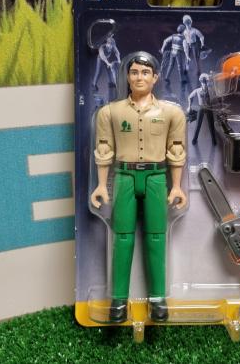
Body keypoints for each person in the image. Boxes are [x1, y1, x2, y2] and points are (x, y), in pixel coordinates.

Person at [90, 52, 187, 323]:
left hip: (157, 177)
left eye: (145, 73)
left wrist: (177, 187)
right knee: (122, 237)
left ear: (155, 77)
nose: (139, 77)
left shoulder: (172, 113)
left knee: (156, 237)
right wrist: (101, 185)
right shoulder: (110, 112)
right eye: (134, 72)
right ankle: (118, 301)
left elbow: (176, 150)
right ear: (127, 75)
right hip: (124, 177)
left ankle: (158, 300)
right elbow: (104, 149)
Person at [187, 73, 217, 146]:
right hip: (201, 107)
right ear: (201, 82)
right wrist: (189, 106)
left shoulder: (211, 90)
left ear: (208, 82)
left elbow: (218, 98)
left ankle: (214, 140)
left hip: (209, 108)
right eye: (203, 82)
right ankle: (194, 139)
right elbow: (190, 97)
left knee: (211, 125)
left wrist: (218, 106)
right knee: (198, 125)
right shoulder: (198, 90)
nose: (205, 84)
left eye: (206, 82)